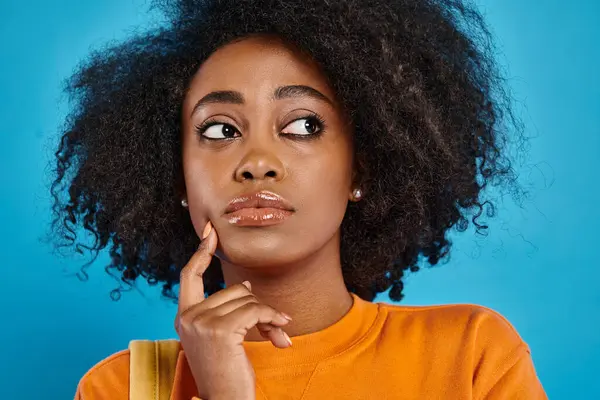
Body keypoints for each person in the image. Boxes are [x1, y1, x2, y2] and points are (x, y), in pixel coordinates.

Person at [52, 0, 547, 398]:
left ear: (362, 169)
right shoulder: (123, 389)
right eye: (221, 129)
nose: (256, 162)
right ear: (177, 179)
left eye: (304, 125)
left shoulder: (470, 356)